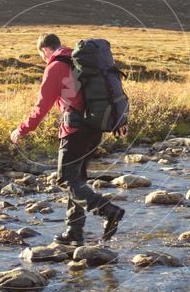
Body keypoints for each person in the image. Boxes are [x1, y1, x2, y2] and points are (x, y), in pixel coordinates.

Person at [10, 33, 125, 244]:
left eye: (42, 56)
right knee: (77, 180)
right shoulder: (81, 61)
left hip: (75, 131)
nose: (44, 60)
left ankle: (108, 211)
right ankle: (74, 233)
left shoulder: (55, 67)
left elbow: (42, 106)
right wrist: (119, 121)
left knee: (64, 179)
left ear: (45, 50)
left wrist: (22, 130)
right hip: (94, 128)